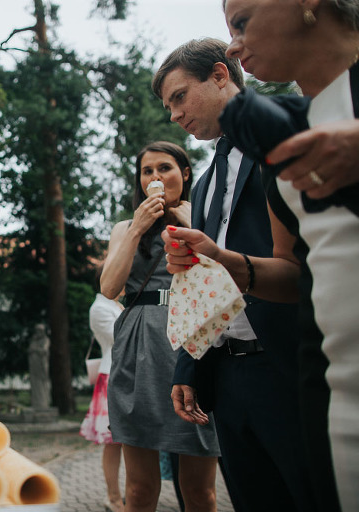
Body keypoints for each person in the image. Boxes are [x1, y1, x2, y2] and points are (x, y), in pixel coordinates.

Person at [152, 38, 321, 512]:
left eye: (180, 97)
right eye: (169, 107)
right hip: (226, 377)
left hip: (288, 363)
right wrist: (189, 366)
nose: (175, 115)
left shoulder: (288, 137)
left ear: (221, 75)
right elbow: (202, 282)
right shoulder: (205, 183)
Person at [220, 2, 359, 509]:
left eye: (242, 22)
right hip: (332, 384)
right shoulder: (288, 129)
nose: (233, 45)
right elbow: (297, 269)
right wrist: (230, 264)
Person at [99, 141, 219, 512]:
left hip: (192, 340)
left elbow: (226, 278)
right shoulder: (125, 227)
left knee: (199, 491)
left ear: (185, 173)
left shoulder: (206, 218)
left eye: (164, 168)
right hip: (140, 345)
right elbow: (109, 288)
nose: (156, 177)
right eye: (147, 171)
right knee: (138, 489)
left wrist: (193, 225)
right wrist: (137, 228)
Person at [80, 263, 125, 512]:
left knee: (127, 441)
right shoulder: (99, 308)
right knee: (113, 441)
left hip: (126, 374)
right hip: (112, 375)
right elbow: (121, 340)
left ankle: (127, 495)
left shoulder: (117, 305)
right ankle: (113, 496)